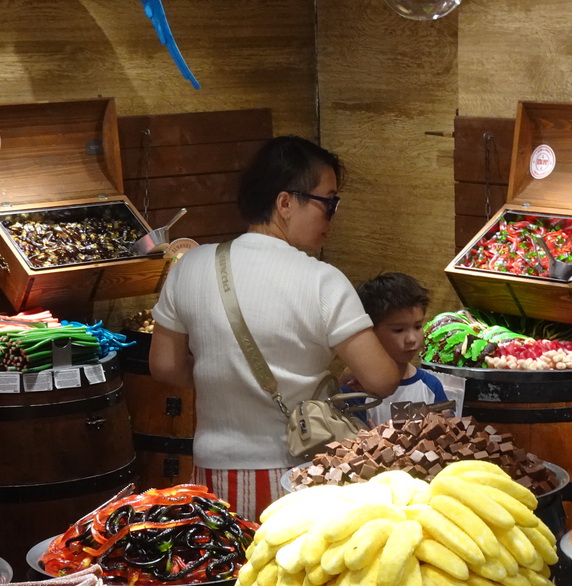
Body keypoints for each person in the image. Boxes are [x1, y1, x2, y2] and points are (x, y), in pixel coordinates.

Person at [148, 136, 399, 521]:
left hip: (212, 475)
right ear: (285, 203)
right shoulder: (323, 281)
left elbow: (164, 366)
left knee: (229, 575)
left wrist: (227, 379)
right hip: (298, 473)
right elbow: (381, 379)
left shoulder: (190, 266)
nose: (332, 216)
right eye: (328, 202)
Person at [353, 272, 448, 426]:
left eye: (418, 326)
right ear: (370, 331)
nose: (411, 339)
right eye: (398, 330)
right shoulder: (356, 391)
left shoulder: (431, 385)